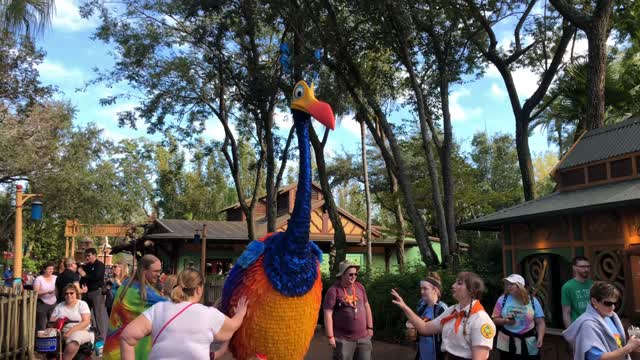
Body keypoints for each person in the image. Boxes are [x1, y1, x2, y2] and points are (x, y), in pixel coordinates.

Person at [119, 269, 249, 360]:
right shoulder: (208, 315)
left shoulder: (158, 309)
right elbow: (231, 328)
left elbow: (127, 336)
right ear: (198, 289)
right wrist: (241, 312)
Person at [392, 271, 496, 360]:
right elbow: (425, 328)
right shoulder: (452, 311)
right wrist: (404, 307)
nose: (453, 286)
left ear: (471, 291)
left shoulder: (481, 320)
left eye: (459, 283)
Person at [104, 254, 166, 360]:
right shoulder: (143, 293)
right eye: (155, 271)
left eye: (159, 271)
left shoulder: (126, 284)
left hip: (115, 348)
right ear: (144, 271)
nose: (159, 274)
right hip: (126, 350)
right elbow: (170, 306)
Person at [563, 281, 640, 360]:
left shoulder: (611, 317)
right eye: (608, 303)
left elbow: (618, 344)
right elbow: (599, 358)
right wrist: (628, 347)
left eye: (615, 303)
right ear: (594, 301)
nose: (613, 307)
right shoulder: (587, 325)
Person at [323, 260, 374, 360]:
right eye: (351, 274)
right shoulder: (334, 290)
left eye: (356, 274)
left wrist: (370, 328)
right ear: (342, 275)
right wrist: (330, 336)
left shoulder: (360, 287)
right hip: (343, 340)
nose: (354, 276)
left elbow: (367, 306)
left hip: (363, 338)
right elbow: (327, 313)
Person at [492, 274, 545, 359]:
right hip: (507, 342)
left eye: (512, 284)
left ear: (520, 286)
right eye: (507, 284)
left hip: (529, 342)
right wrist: (505, 321)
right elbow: (495, 319)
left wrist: (540, 337)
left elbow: (540, 322)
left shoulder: (532, 301)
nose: (509, 286)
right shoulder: (502, 299)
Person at [400, 272, 448, 360]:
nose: (421, 292)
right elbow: (419, 325)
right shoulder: (421, 305)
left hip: (436, 355)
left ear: (435, 290)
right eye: (421, 288)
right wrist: (413, 334)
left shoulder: (442, 309)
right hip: (422, 354)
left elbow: (448, 335)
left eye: (425, 289)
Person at [50, 283, 94, 360]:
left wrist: (70, 332)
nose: (69, 295)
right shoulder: (59, 306)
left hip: (81, 330)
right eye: (66, 293)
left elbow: (86, 322)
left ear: (76, 294)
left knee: (75, 338)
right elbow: (51, 321)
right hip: (61, 331)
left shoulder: (82, 304)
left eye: (71, 293)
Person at [78, 247, 109, 345]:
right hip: (86, 292)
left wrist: (84, 275)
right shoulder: (86, 266)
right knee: (85, 313)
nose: (87, 257)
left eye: (89, 255)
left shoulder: (100, 265)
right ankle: (86, 334)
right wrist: (81, 286)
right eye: (86, 256)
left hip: (96, 292)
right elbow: (82, 280)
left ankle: (100, 337)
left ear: (94, 255)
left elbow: (96, 277)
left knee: (98, 315)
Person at [561, 256, 593, 328]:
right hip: (578, 326)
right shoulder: (567, 287)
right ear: (574, 268)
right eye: (582, 266)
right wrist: (570, 332)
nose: (586, 269)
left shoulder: (592, 284)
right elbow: (566, 312)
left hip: (593, 324)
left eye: (588, 266)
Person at [34, 262, 58, 330]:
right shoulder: (39, 278)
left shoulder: (56, 278)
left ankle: (51, 339)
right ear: (44, 270)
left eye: (52, 269)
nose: (51, 270)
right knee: (42, 324)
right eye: (49, 269)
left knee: (53, 323)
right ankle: (41, 339)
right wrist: (47, 292)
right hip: (42, 303)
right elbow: (36, 292)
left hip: (54, 303)